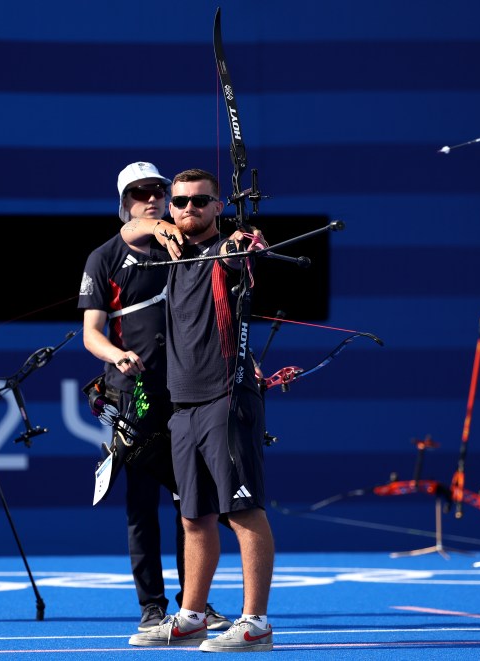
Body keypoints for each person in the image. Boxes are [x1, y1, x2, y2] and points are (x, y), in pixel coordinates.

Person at [78, 162, 232, 633]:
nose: (153, 198)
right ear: (124, 201)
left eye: (159, 191)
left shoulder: (187, 243)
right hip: (134, 396)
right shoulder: (104, 257)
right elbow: (90, 334)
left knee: (194, 502)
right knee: (142, 504)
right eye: (140, 193)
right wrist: (117, 353)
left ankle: (194, 605)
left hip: (188, 390)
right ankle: (152, 606)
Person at [126, 168, 275, 652]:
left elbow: (246, 248)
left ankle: (255, 622)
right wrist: (158, 227)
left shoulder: (222, 252)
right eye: (181, 201)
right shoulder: (168, 251)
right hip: (182, 404)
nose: (189, 208)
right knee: (194, 516)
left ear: (217, 206)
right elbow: (128, 230)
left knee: (243, 508)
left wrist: (244, 241)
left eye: (200, 202)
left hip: (226, 398)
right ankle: (191, 615)